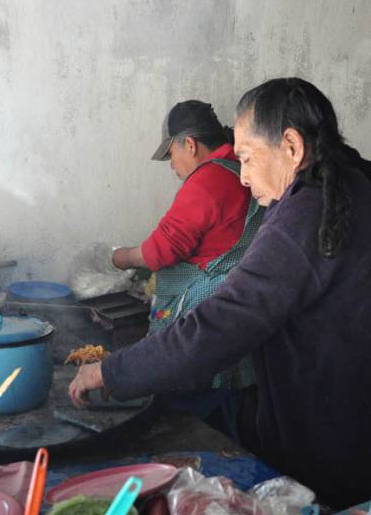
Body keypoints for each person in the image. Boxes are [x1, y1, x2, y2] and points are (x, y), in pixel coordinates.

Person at [70, 78, 371, 509]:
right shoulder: (349, 187)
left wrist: (111, 372)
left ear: (292, 147)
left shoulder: (307, 214)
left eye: (245, 158)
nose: (241, 176)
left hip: (358, 448)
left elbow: (220, 325)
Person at [111, 99, 265, 440]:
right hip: (242, 305)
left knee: (197, 409)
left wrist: (119, 258)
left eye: (171, 154)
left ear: (190, 144)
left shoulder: (208, 179)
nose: (171, 165)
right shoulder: (239, 167)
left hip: (207, 307)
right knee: (231, 405)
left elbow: (160, 251)